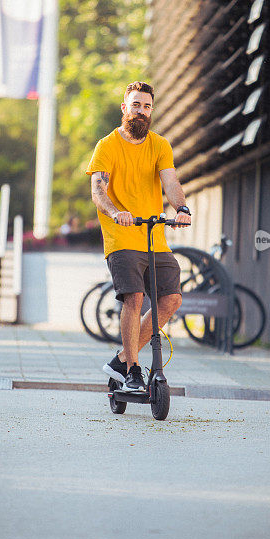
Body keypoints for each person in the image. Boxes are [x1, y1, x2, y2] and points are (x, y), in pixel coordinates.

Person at [86, 81, 192, 391]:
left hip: (154, 237)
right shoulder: (107, 145)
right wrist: (115, 211)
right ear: (124, 108)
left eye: (146, 106)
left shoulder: (160, 145)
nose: (141, 111)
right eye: (136, 105)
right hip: (122, 236)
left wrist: (182, 207)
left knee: (171, 299)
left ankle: (122, 359)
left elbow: (170, 182)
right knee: (133, 298)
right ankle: (132, 370)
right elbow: (97, 190)